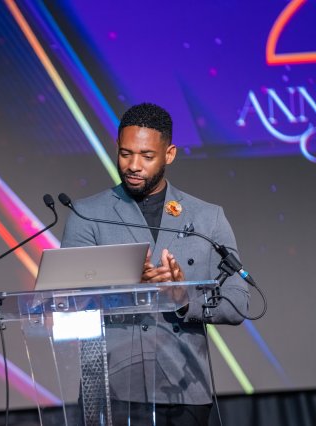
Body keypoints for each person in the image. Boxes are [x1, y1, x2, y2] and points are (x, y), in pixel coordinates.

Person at [61, 103, 250, 425]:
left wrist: (182, 299)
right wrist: (130, 287)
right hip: (111, 387)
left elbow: (238, 303)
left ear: (169, 154)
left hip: (184, 388)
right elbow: (67, 301)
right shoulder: (87, 214)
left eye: (147, 156)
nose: (133, 165)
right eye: (125, 154)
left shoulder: (207, 218)